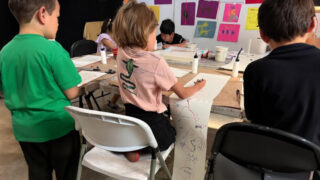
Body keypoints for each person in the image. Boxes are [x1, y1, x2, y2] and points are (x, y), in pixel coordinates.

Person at [113, 1, 206, 162]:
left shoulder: (121, 52)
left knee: (148, 129)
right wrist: (199, 86)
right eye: (154, 33)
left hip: (130, 119)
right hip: (151, 125)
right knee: (172, 133)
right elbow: (183, 93)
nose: (156, 38)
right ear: (143, 33)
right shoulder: (155, 62)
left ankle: (132, 146)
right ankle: (142, 146)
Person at [0, 0, 82, 179]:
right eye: (57, 17)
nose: (59, 22)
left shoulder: (4, 53)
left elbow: (4, 89)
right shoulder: (53, 49)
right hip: (58, 129)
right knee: (68, 173)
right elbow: (72, 92)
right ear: (42, 14)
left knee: (37, 172)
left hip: (25, 132)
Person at [244, 0, 320, 147]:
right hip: (310, 161)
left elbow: (252, 116)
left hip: (266, 156)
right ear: (312, 25)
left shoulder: (256, 70)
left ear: (263, 35)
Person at [96, 18, 122, 112]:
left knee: (123, 78)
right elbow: (115, 47)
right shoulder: (103, 36)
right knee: (120, 79)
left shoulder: (115, 36)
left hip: (112, 61)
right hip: (103, 63)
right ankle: (113, 102)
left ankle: (113, 102)